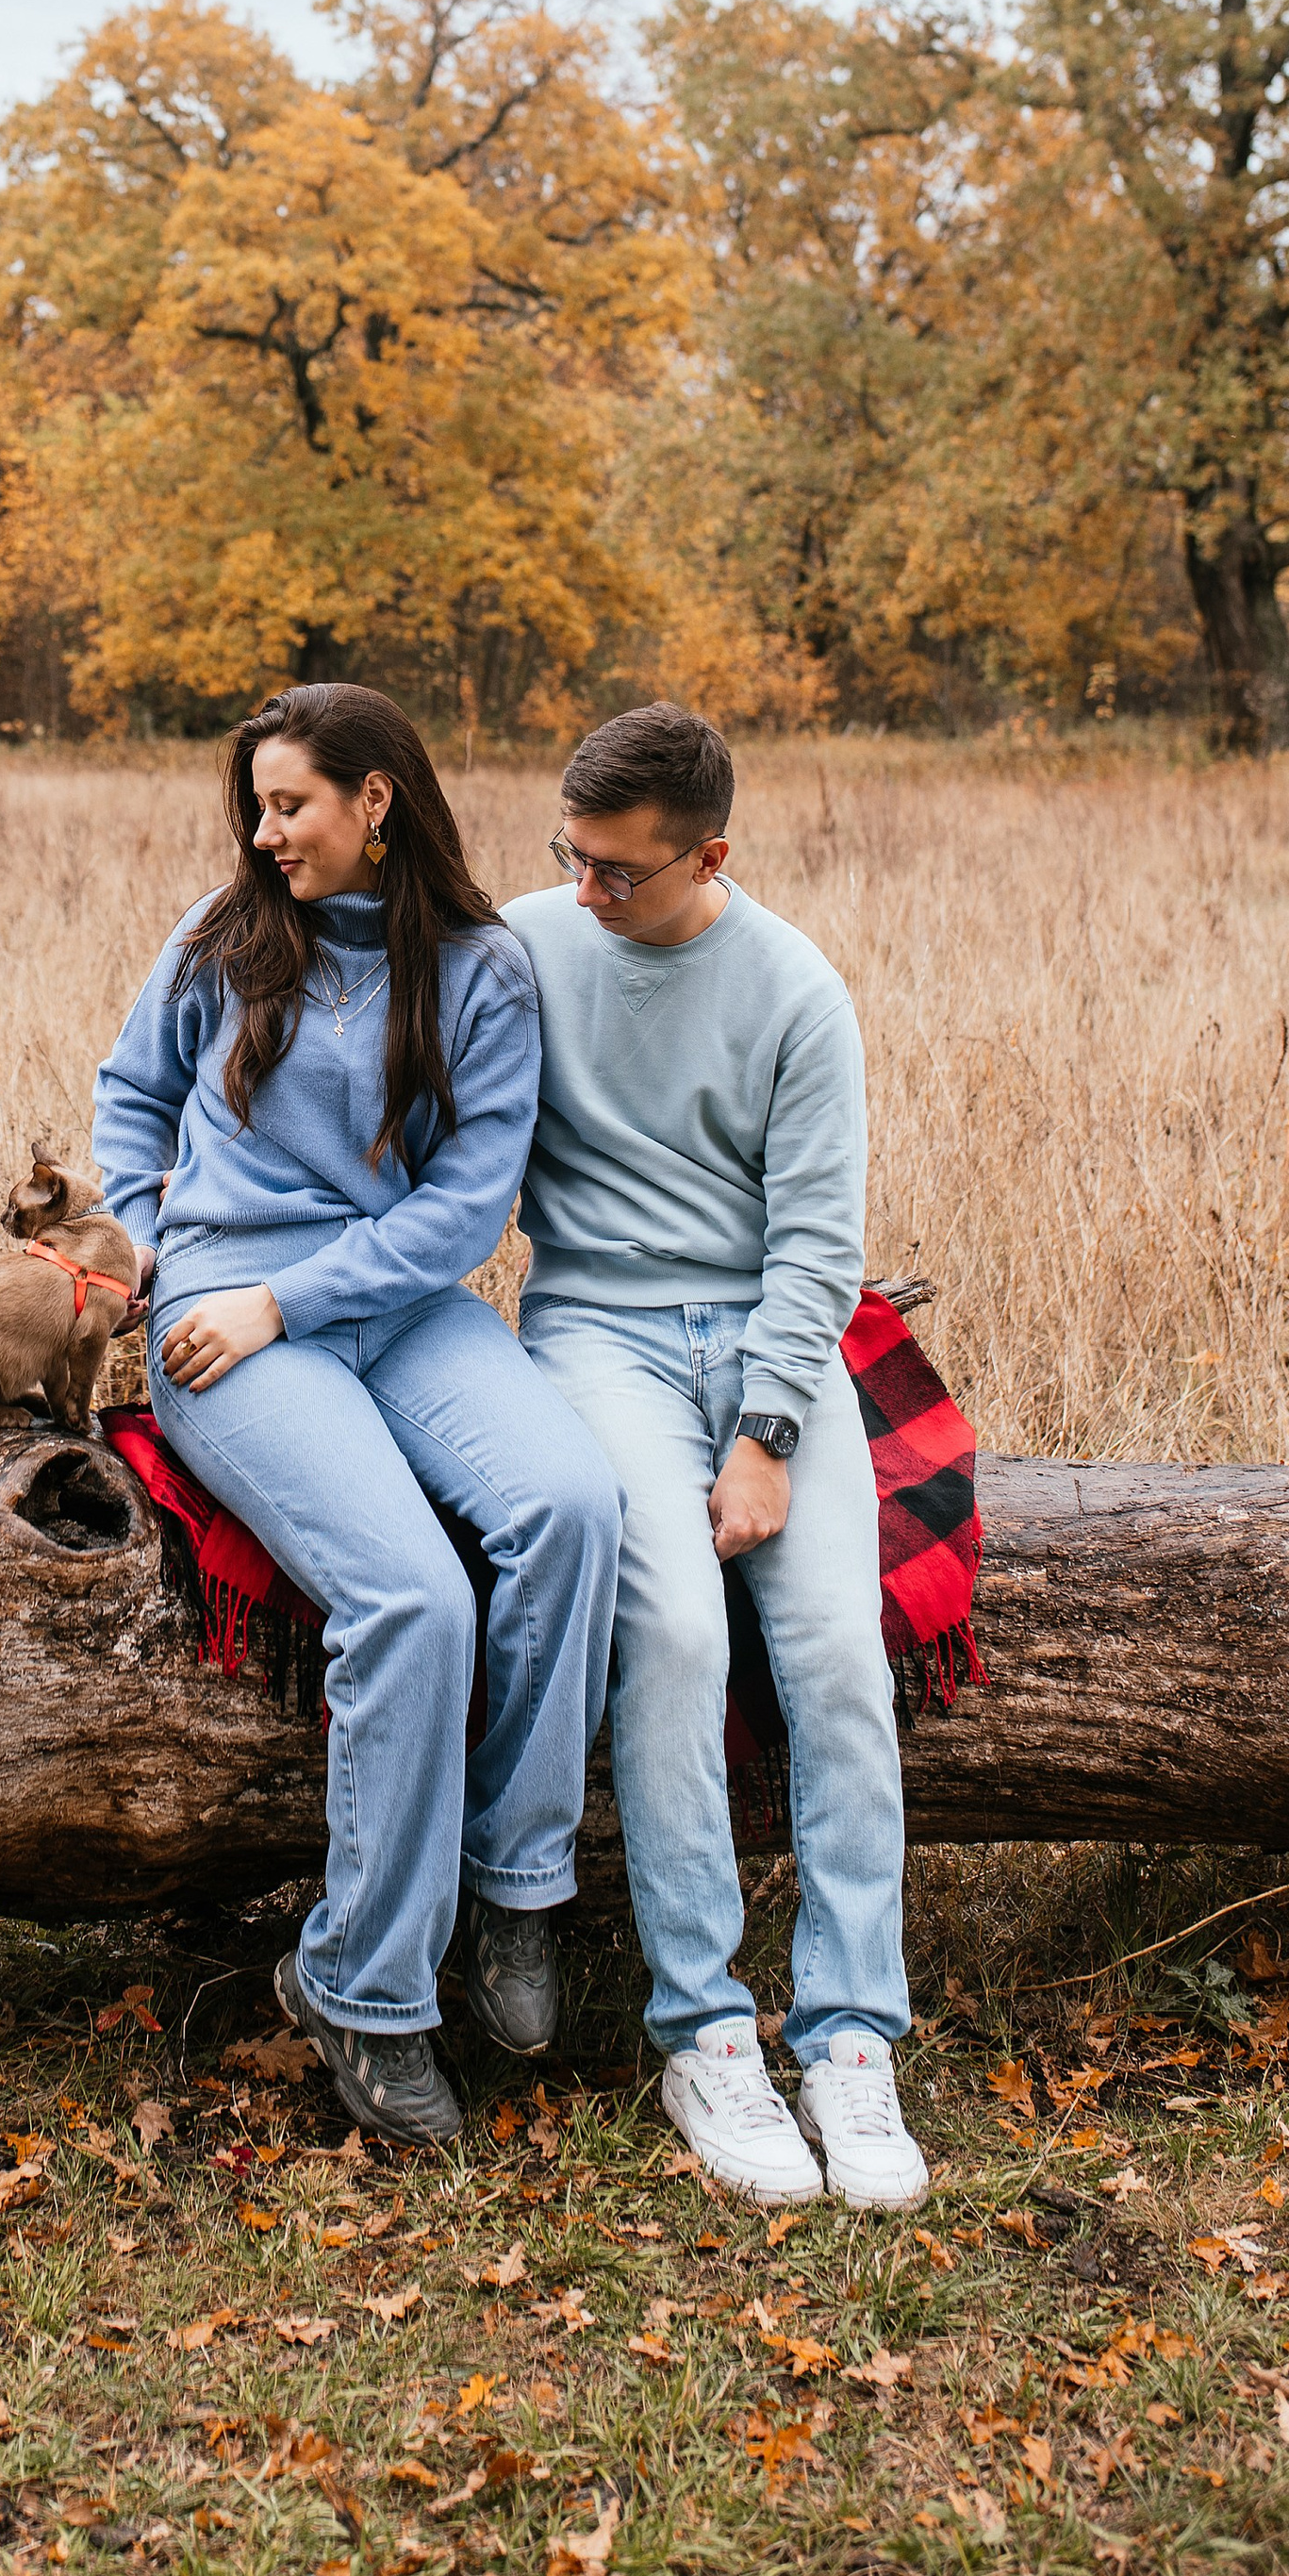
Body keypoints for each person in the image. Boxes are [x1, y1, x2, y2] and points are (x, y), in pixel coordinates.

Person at [93, 681, 622, 2148]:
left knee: (573, 1510)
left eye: (291, 806)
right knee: (412, 1599)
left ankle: (516, 1895)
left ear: (375, 801)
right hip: (228, 1322)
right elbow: (130, 1099)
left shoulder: (479, 969)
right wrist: (156, 1254)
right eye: (255, 808)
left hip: (392, 1303)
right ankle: (365, 1988)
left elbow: (468, 1201)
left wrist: (302, 1297)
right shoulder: (220, 942)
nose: (264, 837)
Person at [504, 701, 929, 2211]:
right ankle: (703, 2030)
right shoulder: (529, 942)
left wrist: (764, 1439)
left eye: (620, 871)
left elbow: (820, 1246)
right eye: (573, 856)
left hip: (765, 1338)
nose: (588, 893)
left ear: (711, 855)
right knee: (675, 1626)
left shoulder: (796, 989)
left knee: (834, 1654)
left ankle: (854, 2034)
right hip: (595, 1333)